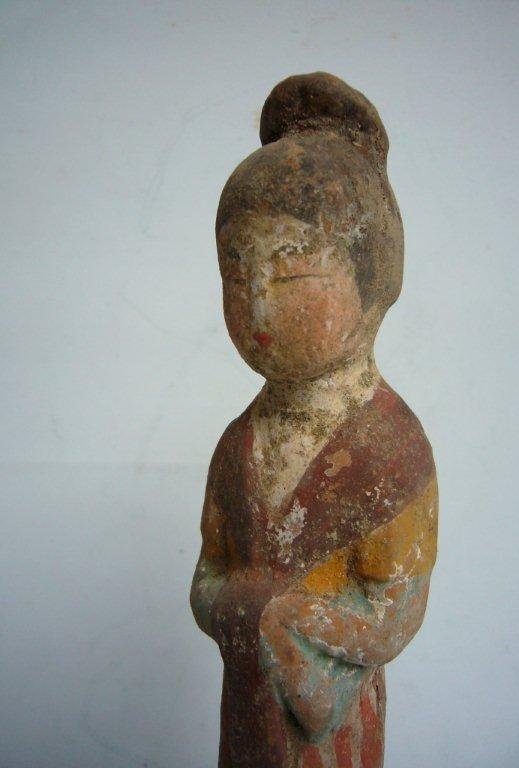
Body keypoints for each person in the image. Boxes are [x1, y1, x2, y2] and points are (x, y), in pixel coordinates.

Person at [190, 72, 438, 768]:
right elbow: (207, 576)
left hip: (332, 719)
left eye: (292, 276)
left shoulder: (389, 447)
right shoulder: (239, 444)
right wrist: (243, 609)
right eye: (236, 276)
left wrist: (294, 619)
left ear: (374, 280)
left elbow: (397, 611)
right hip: (249, 707)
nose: (258, 307)